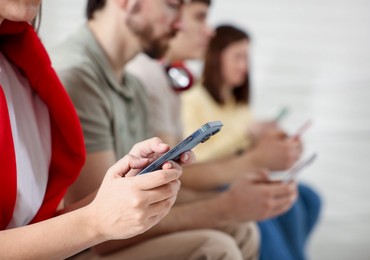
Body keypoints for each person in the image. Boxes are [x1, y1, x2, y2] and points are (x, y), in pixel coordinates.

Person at [52, 0, 297, 259]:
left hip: (107, 236)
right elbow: (101, 232)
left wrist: (234, 201)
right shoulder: (77, 77)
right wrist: (224, 206)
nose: (179, 23)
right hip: (83, 247)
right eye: (172, 6)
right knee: (215, 248)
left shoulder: (132, 85)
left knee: (241, 229)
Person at [0, 1, 185, 259]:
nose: (181, 24)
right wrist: (94, 222)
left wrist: (121, 190)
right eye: (173, 5)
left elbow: (31, 226)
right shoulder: (70, 71)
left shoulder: (20, 67)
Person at [182, 24, 322, 260]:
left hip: (241, 173)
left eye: (247, 58)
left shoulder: (239, 104)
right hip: (215, 181)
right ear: (216, 56)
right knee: (276, 207)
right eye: (238, 57)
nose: (244, 66)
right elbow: (198, 159)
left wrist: (269, 140)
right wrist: (248, 140)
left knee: (307, 197)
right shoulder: (192, 98)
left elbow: (247, 147)